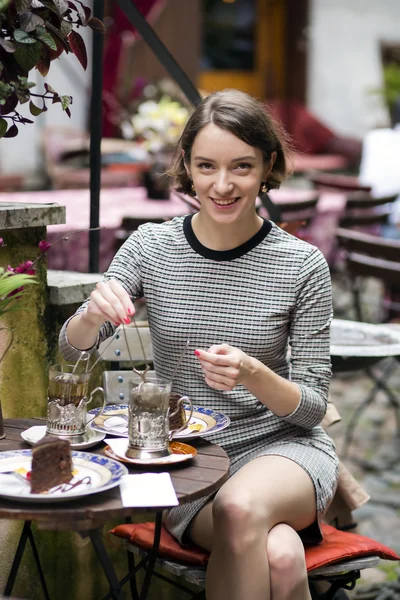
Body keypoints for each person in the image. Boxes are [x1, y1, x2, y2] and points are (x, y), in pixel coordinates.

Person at [59, 89, 339, 600]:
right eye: (207, 166)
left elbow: (313, 409)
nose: (223, 184)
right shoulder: (150, 246)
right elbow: (72, 351)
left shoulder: (302, 264)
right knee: (279, 555)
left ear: (267, 166)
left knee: (240, 508)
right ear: (186, 164)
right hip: (187, 464)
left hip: (285, 454)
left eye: (241, 167)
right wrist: (91, 313)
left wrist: (255, 374)